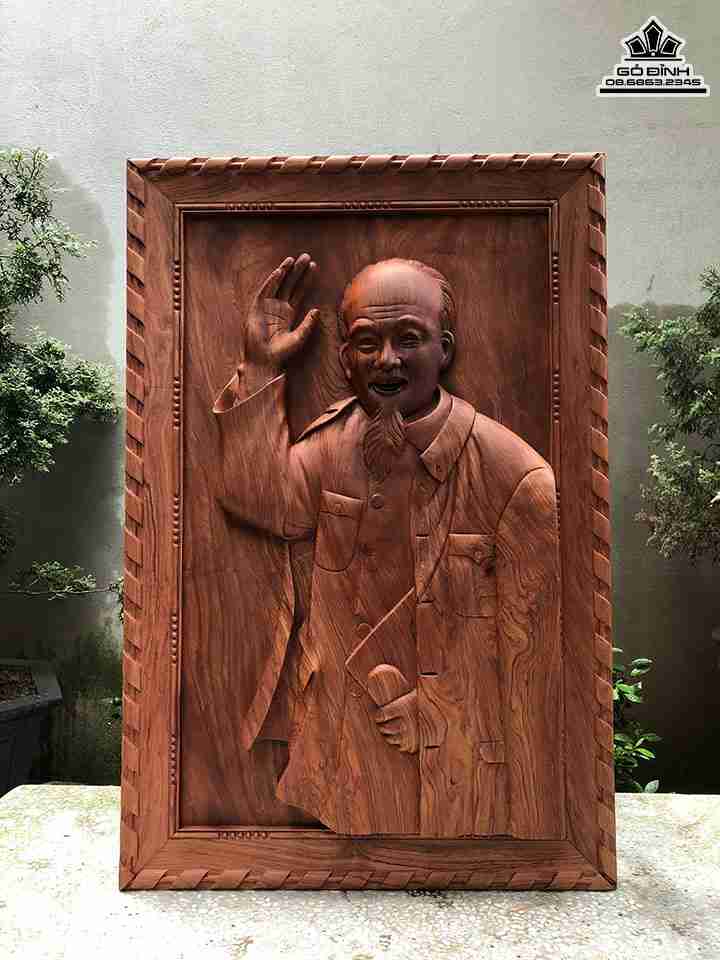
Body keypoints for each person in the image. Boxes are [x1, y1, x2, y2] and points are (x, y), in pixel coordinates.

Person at [212, 254, 563, 838]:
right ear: (346, 359)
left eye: (409, 339)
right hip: (341, 762)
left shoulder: (515, 478)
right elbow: (262, 500)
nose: (388, 360)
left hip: (454, 779)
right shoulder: (333, 444)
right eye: (367, 342)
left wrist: (444, 706)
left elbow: (536, 659)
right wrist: (259, 366)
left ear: (444, 350)